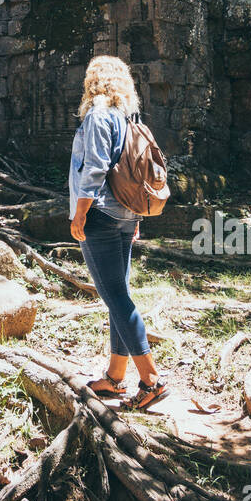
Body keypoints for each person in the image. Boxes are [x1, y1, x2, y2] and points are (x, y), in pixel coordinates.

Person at [69, 55, 167, 410]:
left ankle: (151, 380)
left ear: (93, 82)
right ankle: (114, 377)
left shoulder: (98, 114)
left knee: (116, 298)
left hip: (101, 215)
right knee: (118, 295)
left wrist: (79, 215)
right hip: (126, 214)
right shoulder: (129, 116)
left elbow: (95, 169)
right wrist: (136, 216)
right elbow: (134, 171)